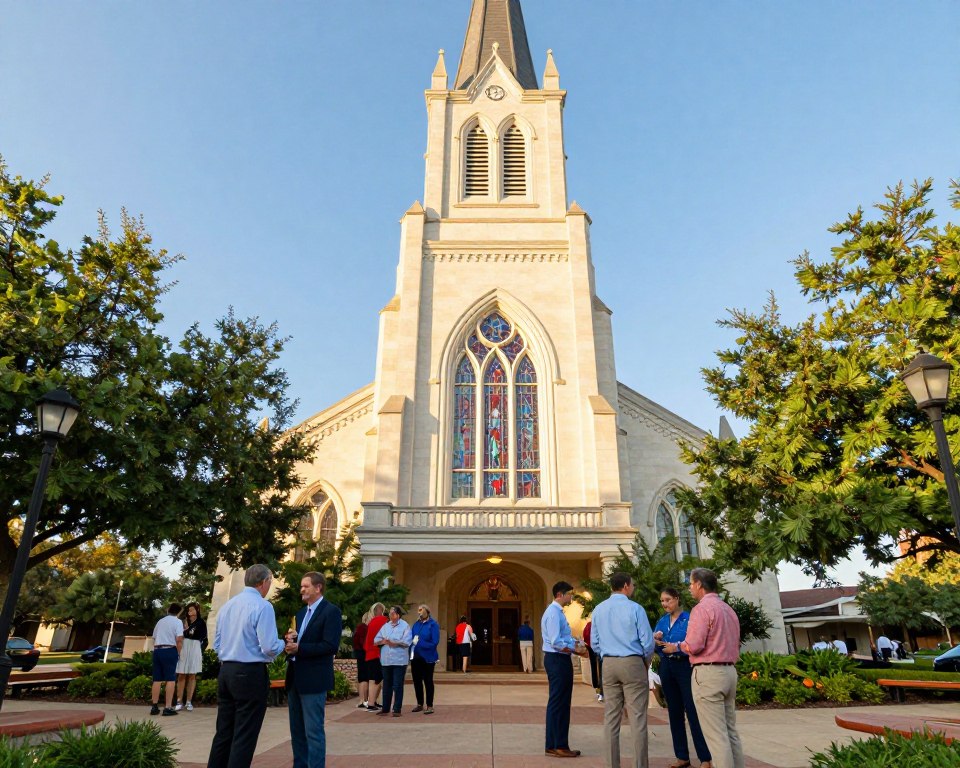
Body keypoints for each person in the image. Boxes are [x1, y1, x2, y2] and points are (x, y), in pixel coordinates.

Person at [207, 564, 287, 768]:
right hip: (249, 672)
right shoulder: (262, 606)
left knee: (224, 732)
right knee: (245, 734)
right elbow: (269, 647)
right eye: (270, 581)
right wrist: (284, 643)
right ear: (264, 582)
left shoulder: (228, 605)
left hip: (226, 670)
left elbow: (217, 643)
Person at [590, 572, 655, 768]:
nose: (633, 588)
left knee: (611, 716)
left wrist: (606, 654)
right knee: (637, 718)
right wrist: (644, 661)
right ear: (626, 586)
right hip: (632, 661)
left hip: (608, 663)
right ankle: (640, 765)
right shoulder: (635, 608)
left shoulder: (599, 609)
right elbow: (648, 642)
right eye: (632, 585)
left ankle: (612, 764)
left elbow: (594, 642)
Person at [679, 568, 743, 768]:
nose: (690, 588)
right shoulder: (728, 609)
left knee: (716, 735)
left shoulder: (702, 609)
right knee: (730, 731)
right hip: (729, 671)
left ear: (699, 584)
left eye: (691, 584)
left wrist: (680, 645)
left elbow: (694, 645)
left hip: (708, 672)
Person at [284, 571, 342, 768]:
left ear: (318, 588)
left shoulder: (330, 611)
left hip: (314, 680)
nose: (301, 589)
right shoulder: (300, 614)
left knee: (313, 732)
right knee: (297, 732)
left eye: (305, 586)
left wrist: (300, 648)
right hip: (294, 679)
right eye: (301, 586)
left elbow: (330, 645)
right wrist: (290, 644)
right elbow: (299, 643)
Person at [654, 588, 712, 768]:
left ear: (677, 599)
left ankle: (705, 758)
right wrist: (656, 641)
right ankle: (682, 756)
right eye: (662, 601)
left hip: (685, 666)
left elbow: (695, 643)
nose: (665, 604)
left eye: (668, 600)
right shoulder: (662, 622)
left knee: (693, 711)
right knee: (674, 711)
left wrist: (676, 648)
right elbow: (655, 648)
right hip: (666, 666)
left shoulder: (689, 619)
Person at [541, 580, 587, 758]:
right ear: (560, 594)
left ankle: (554, 743)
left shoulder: (557, 612)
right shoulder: (553, 613)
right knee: (559, 702)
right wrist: (576, 650)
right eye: (569, 594)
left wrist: (576, 643)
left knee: (559, 702)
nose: (571, 597)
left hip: (558, 659)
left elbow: (563, 638)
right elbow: (556, 641)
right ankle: (558, 744)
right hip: (557, 659)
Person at [373, 605, 412, 716]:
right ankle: (385, 708)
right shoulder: (385, 626)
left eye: (392, 613)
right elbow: (375, 640)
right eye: (389, 613)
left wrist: (396, 643)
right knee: (387, 685)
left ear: (398, 615)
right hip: (386, 660)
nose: (390, 615)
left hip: (399, 661)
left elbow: (407, 642)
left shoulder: (405, 626)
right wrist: (383, 642)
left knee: (397, 685)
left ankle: (397, 709)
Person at [151, 603, 184, 716]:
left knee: (157, 679)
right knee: (170, 679)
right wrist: (179, 653)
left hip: (157, 650)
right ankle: (168, 707)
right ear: (179, 612)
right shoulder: (178, 622)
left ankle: (154, 706)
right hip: (169, 649)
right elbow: (179, 639)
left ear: (168, 610)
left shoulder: (160, 621)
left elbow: (154, 637)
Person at [175, 602, 207, 712]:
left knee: (192, 675)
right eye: (189, 610)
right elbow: (181, 635)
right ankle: (179, 701)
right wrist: (186, 631)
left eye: (192, 610)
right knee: (181, 674)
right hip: (184, 647)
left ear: (197, 610)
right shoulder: (184, 621)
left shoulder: (201, 623)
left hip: (195, 647)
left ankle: (189, 701)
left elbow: (201, 636)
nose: (190, 612)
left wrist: (187, 631)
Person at [410, 604, 440, 714]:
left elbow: (435, 641)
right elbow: (411, 638)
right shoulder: (416, 625)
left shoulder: (433, 625)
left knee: (428, 681)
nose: (419, 612)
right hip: (416, 656)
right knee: (417, 680)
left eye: (421, 610)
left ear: (427, 611)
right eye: (418, 610)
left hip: (428, 657)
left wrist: (421, 644)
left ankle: (430, 705)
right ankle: (419, 703)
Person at [362, 603, 388, 711]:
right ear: (382, 610)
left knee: (372, 679)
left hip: (369, 653)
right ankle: (372, 703)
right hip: (378, 653)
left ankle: (372, 702)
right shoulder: (385, 621)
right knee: (377, 679)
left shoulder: (371, 622)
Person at [582, 619, 603, 701]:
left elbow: (585, 636)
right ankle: (601, 689)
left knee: (593, 667)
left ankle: (596, 687)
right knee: (601, 669)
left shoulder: (589, 625)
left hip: (590, 647)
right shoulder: (600, 625)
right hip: (600, 648)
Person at [353, 613, 370, 709]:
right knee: (364, 678)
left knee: (363, 678)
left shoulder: (360, 627)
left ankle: (363, 700)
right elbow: (363, 642)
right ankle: (363, 700)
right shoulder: (363, 628)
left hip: (360, 653)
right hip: (363, 654)